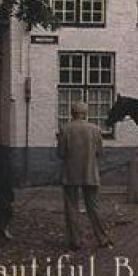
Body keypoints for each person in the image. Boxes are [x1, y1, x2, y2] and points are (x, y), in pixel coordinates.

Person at [57, 101, 113, 249]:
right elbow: (100, 152)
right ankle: (102, 238)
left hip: (71, 174)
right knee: (94, 207)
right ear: (85, 113)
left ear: (72, 113)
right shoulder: (95, 129)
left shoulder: (65, 129)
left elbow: (61, 153)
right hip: (90, 172)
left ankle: (75, 240)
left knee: (71, 207)